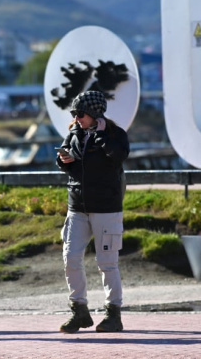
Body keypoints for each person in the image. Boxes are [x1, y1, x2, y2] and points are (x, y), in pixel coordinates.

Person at [55, 90, 129, 333]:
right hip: (77, 207)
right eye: (74, 113)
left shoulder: (116, 135)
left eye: (80, 114)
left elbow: (118, 156)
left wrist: (99, 136)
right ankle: (79, 311)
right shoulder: (74, 133)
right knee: (70, 258)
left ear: (95, 113)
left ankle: (113, 314)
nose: (76, 118)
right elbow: (70, 164)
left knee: (107, 263)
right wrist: (63, 161)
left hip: (106, 208)